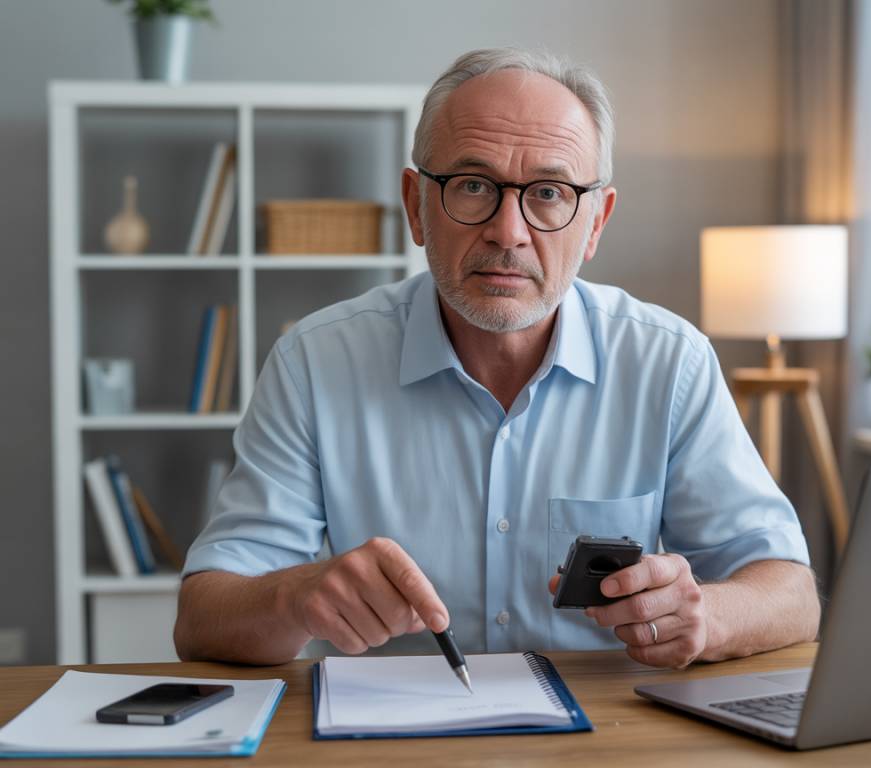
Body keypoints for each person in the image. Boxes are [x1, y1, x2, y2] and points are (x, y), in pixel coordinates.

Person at [174, 47, 820, 669]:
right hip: (392, 731)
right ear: (416, 205)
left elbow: (791, 596)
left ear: (595, 221)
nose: (508, 231)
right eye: (473, 185)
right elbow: (203, 620)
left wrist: (705, 615)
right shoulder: (315, 362)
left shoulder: (668, 362)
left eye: (548, 193)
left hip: (610, 739)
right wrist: (297, 597)